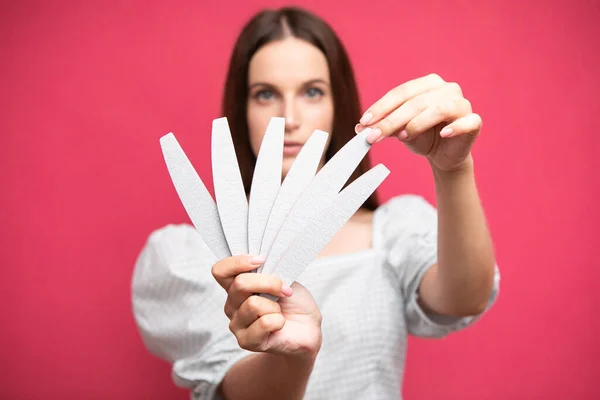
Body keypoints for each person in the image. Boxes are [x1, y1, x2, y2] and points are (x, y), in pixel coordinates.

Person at [131, 6, 500, 400]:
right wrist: (293, 356)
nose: (289, 118)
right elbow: (234, 392)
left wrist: (454, 169)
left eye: (312, 92)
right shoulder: (188, 257)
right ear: (242, 111)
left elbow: (464, 298)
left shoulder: (394, 233)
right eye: (265, 94)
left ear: (337, 104)